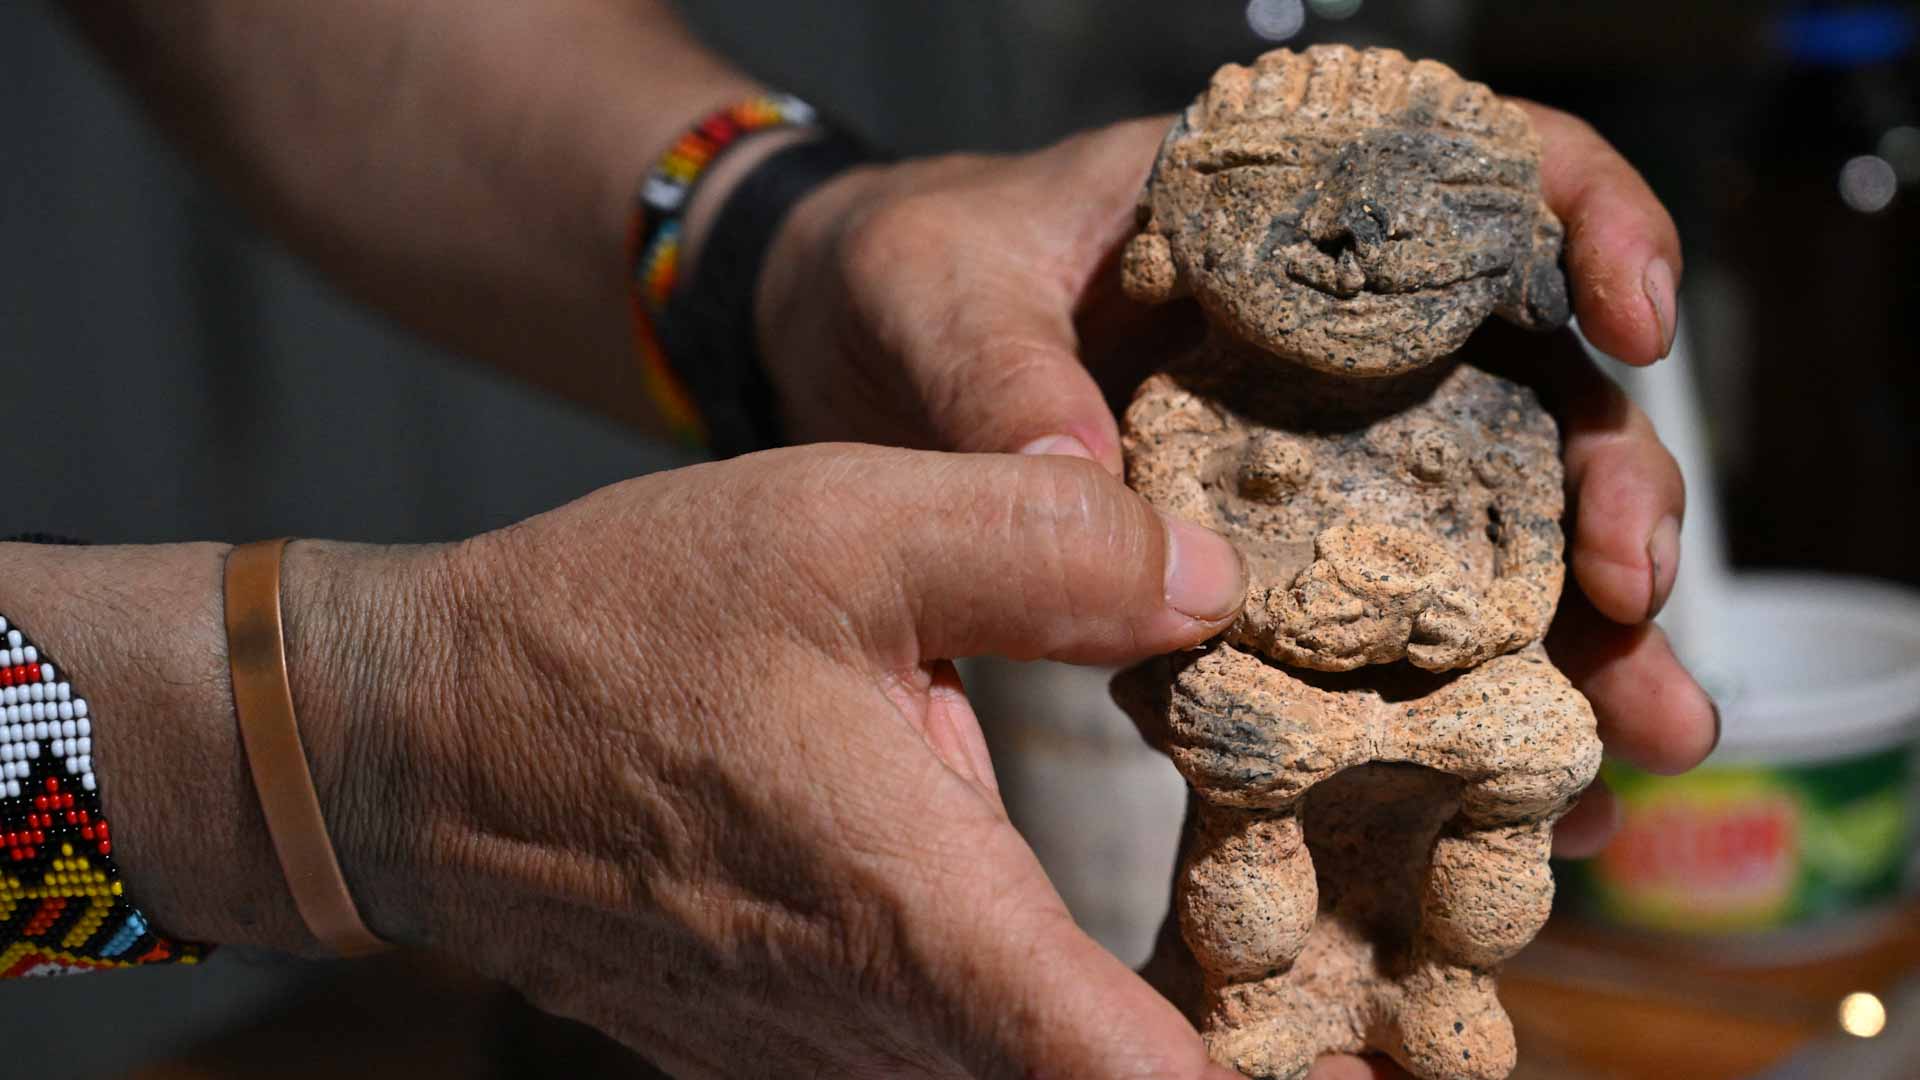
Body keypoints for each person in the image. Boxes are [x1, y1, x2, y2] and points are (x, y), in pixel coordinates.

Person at [2, 3, 1713, 1078]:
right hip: (1280, 725)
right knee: (1247, 781)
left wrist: (790, 248)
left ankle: (1426, 985)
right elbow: (1195, 584)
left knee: (1541, 739)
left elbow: (1511, 575)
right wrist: (335, 751)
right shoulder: (1190, 418)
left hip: (1436, 713)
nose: (1351, 243)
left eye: (1426, 212)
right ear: (1182, 241)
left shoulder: (1492, 417)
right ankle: (1281, 1005)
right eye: (1286, 194)